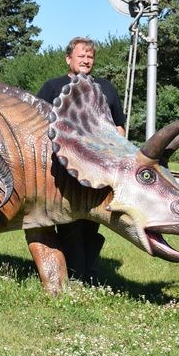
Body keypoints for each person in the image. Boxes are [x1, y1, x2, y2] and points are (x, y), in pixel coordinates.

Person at [36, 37, 126, 285]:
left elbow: (119, 126)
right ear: (69, 59)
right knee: (69, 222)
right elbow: (36, 122)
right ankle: (77, 275)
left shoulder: (105, 88)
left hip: (98, 168)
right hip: (63, 170)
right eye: (81, 56)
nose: (87, 60)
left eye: (90, 57)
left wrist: (115, 147)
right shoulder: (53, 87)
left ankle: (89, 273)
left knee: (92, 222)